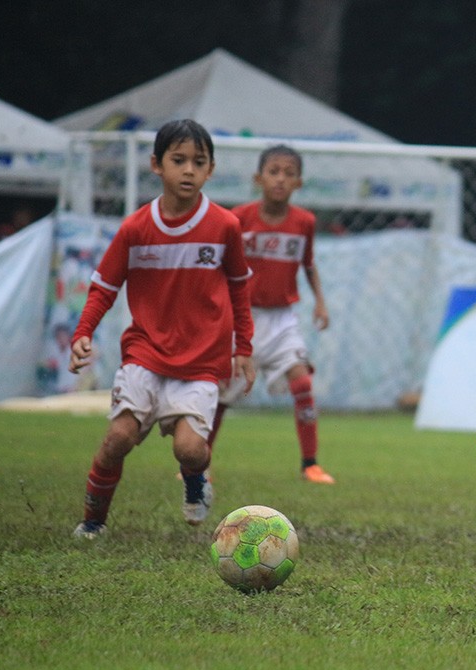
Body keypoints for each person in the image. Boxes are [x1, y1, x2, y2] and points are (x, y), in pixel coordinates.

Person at [69, 119, 255, 538]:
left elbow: (240, 288)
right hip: (145, 353)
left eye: (198, 162)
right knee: (119, 437)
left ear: (210, 170)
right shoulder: (136, 228)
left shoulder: (224, 226)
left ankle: (195, 478)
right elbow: (103, 288)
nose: (188, 170)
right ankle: (93, 522)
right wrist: (83, 332)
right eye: (178, 160)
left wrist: (244, 346)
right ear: (157, 165)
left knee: (189, 449)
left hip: (201, 360)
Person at [206, 144, 335, 485]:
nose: (280, 179)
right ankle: (198, 460)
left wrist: (320, 302)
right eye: (273, 172)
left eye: (289, 174)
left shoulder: (304, 222)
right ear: (258, 178)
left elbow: (308, 264)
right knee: (223, 393)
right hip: (242, 319)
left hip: (282, 319)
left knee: (302, 380)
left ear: (299, 183)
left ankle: (310, 464)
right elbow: (219, 266)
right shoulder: (238, 218)